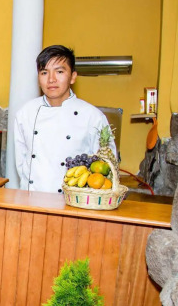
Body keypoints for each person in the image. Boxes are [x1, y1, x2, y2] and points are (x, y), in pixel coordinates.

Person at [13, 45, 116, 194]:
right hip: (31, 198)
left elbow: (106, 167)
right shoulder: (25, 113)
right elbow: (21, 162)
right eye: (44, 72)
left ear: (73, 77)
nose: (51, 79)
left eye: (59, 72)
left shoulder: (92, 117)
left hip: (73, 201)